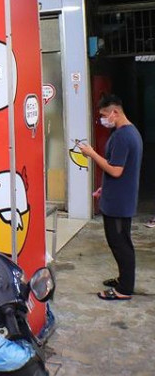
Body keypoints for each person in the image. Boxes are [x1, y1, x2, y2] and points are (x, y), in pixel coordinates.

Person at [79, 94, 143, 301]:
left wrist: (91, 154)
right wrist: (104, 188)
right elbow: (121, 170)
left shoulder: (124, 136)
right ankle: (123, 278)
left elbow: (116, 170)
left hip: (119, 203)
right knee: (120, 241)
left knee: (120, 244)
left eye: (104, 115)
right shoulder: (128, 133)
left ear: (115, 112)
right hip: (117, 196)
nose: (102, 120)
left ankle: (124, 289)